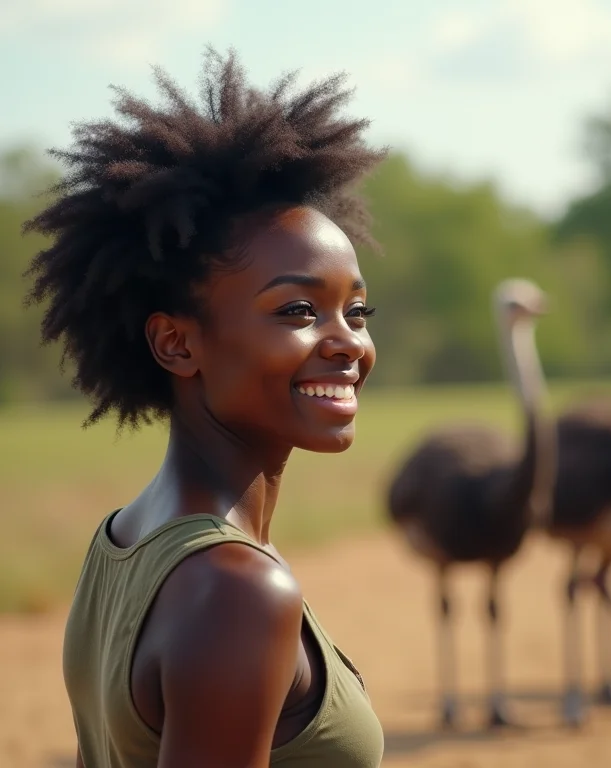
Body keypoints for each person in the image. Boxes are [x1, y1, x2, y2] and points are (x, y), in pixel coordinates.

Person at [24, 47, 387, 768]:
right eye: (297, 309)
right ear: (176, 344)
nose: (346, 342)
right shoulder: (236, 590)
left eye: (357, 309)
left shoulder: (125, 539)